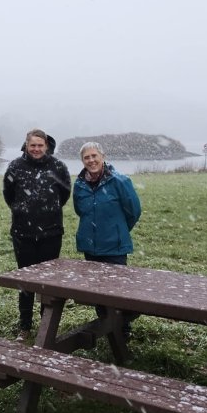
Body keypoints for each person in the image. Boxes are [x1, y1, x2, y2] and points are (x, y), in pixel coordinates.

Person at [2, 129, 71, 342]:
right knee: (26, 282)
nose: (36, 149)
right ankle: (24, 326)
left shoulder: (58, 166)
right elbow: (8, 194)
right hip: (23, 234)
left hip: (51, 234)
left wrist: (47, 211)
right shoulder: (15, 166)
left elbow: (65, 194)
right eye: (33, 145)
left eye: (40, 145)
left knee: (48, 282)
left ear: (46, 146)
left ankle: (46, 324)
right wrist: (24, 211)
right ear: (26, 145)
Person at [73, 141, 142, 337]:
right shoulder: (79, 184)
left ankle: (123, 329)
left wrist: (117, 229)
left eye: (94, 156)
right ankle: (106, 325)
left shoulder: (119, 181)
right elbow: (80, 211)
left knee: (118, 291)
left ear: (102, 156)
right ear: (82, 161)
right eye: (87, 157)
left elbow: (134, 211)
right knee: (97, 291)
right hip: (90, 247)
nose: (91, 160)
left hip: (114, 247)